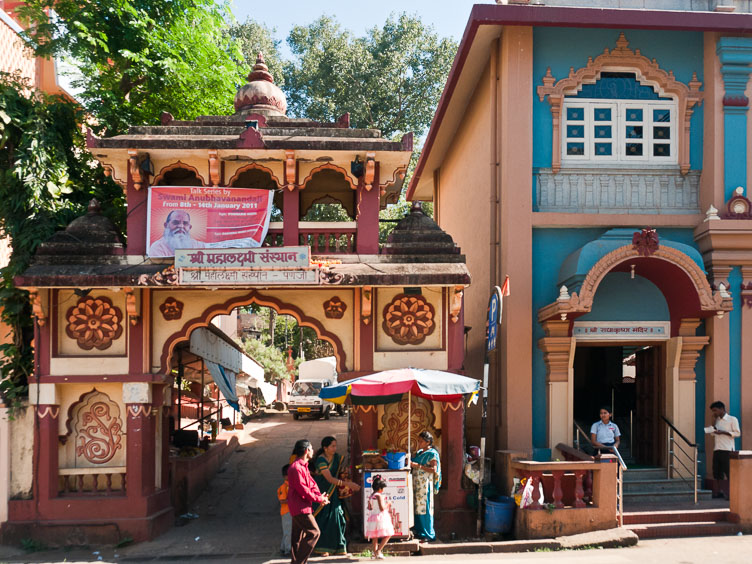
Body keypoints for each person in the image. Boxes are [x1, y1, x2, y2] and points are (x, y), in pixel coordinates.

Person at [311, 436, 360, 556]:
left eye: (335, 446)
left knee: (338, 518)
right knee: (325, 520)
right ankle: (323, 548)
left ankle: (339, 547)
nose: (335, 448)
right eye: (332, 446)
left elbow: (339, 471)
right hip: (323, 494)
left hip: (334, 494)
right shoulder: (321, 461)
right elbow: (329, 479)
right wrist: (348, 484)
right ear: (325, 448)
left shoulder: (337, 458)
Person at [288, 439, 329, 564]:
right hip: (299, 507)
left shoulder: (303, 466)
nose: (313, 451)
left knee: (297, 537)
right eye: (311, 449)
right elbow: (304, 490)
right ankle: (299, 562)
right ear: (306, 451)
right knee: (314, 533)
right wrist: (318, 499)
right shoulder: (296, 468)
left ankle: (296, 561)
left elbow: (312, 484)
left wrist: (320, 497)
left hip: (302, 505)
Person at [410, 430, 441, 541]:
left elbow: (434, 469)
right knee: (418, 508)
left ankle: (428, 534)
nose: (419, 443)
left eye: (421, 441)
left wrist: (418, 466)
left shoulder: (432, 453)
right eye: (419, 441)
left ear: (428, 442)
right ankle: (420, 532)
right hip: (417, 485)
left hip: (425, 486)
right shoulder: (419, 453)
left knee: (425, 508)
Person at [707, 401, 741, 499]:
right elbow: (712, 433)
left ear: (722, 409)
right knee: (717, 472)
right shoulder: (716, 420)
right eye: (713, 411)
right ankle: (719, 492)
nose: (714, 413)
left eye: (715, 410)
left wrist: (724, 432)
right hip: (717, 449)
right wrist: (713, 424)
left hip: (727, 450)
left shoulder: (732, 419)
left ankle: (732, 494)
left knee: (729, 472)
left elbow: (737, 433)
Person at [365, 474, 394, 560]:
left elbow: (369, 507)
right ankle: (378, 550)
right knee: (388, 534)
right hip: (381, 517)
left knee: (375, 536)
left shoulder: (371, 496)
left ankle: (375, 553)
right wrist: (388, 503)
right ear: (380, 488)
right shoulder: (379, 495)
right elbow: (382, 508)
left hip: (373, 517)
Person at [277, 464, 291, 556]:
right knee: (288, 532)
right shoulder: (284, 487)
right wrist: (293, 500)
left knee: (287, 531)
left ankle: (283, 547)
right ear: (286, 476)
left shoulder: (290, 485)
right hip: (287, 512)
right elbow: (282, 501)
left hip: (290, 511)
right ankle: (288, 550)